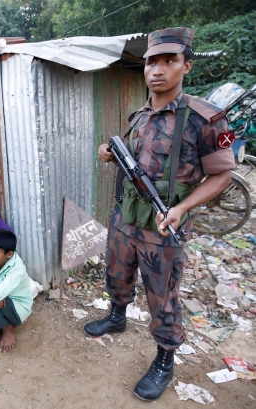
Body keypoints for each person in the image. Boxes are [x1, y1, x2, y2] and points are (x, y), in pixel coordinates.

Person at [83, 28, 235, 402]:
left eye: (169, 60)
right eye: (152, 61)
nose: (158, 69)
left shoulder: (205, 118)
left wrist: (183, 208)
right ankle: (117, 316)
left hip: (164, 226)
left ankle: (165, 359)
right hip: (125, 218)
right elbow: (128, 155)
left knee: (162, 297)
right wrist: (107, 151)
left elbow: (222, 174)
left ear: (187, 65)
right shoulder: (139, 116)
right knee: (116, 274)